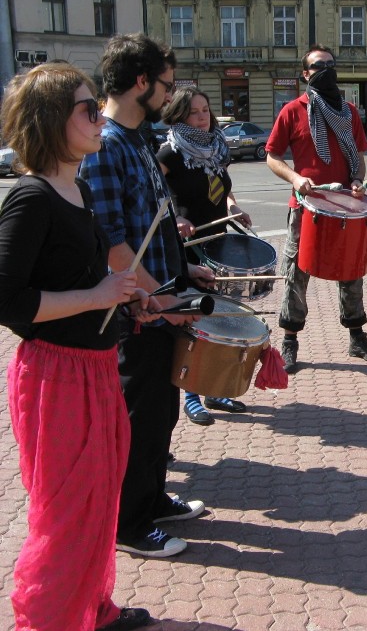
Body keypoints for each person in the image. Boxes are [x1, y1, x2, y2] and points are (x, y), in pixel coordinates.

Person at [0, 62, 156, 631]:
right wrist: (95, 297)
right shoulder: (30, 198)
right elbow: (9, 303)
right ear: (51, 120)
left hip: (93, 367)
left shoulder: (80, 187)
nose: (99, 118)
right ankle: (48, 621)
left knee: (96, 502)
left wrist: (126, 298)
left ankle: (90, 607)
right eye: (88, 109)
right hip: (55, 375)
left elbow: (91, 277)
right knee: (66, 511)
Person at [80, 33, 214, 558]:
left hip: (159, 299)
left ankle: (152, 498)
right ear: (141, 82)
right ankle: (128, 525)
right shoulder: (107, 145)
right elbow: (111, 242)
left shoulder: (139, 138)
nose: (169, 93)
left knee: (160, 412)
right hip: (135, 312)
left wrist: (186, 274)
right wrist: (161, 299)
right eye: (165, 83)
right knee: (137, 417)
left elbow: (154, 229)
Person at [266, 44, 367, 373]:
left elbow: (358, 158)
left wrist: (358, 180)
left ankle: (357, 338)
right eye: (319, 66)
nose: (326, 71)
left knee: (351, 271)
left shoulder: (348, 111)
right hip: (305, 207)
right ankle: (289, 342)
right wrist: (295, 177)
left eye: (331, 65)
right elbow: (272, 157)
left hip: (346, 206)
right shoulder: (293, 110)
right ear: (306, 74)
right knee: (296, 273)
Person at [158, 87, 252, 425]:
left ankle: (211, 387)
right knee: (192, 318)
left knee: (215, 315)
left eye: (206, 110)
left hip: (216, 239)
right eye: (194, 111)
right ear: (180, 115)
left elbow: (222, 187)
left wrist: (232, 206)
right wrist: (175, 216)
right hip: (187, 245)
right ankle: (191, 394)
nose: (203, 117)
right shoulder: (169, 152)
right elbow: (156, 192)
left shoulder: (216, 147)